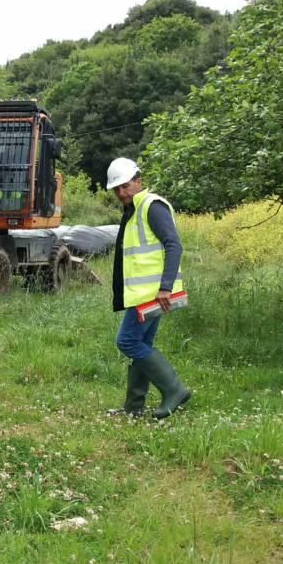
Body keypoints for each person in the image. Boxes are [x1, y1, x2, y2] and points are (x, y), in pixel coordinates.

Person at [104, 158, 191, 418]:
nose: (121, 192)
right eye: (116, 189)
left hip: (154, 294)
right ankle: (133, 407)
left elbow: (174, 245)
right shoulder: (133, 210)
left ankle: (175, 390)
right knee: (141, 342)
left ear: (138, 182)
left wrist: (165, 287)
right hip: (144, 293)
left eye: (125, 185)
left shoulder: (151, 206)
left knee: (128, 341)